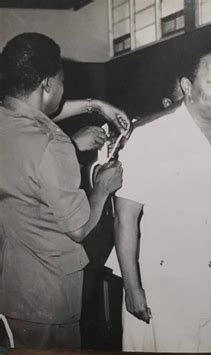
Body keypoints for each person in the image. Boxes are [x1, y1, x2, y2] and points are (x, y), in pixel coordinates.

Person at [114, 51, 211, 352]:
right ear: (187, 86)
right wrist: (132, 287)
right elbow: (125, 217)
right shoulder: (150, 137)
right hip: (164, 295)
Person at [0, 32, 129, 349]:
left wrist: (95, 107)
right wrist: (102, 187)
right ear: (46, 84)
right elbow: (79, 227)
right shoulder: (52, 144)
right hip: (49, 299)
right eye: (61, 79)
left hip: (12, 289)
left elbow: (30, 141)